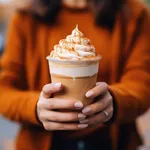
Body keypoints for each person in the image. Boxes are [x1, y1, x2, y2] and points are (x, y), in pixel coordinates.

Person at [0, 0, 150, 150]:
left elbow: (142, 84)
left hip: (111, 141)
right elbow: (4, 90)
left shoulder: (133, 13)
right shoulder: (26, 17)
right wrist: (35, 108)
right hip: (41, 143)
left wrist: (115, 101)